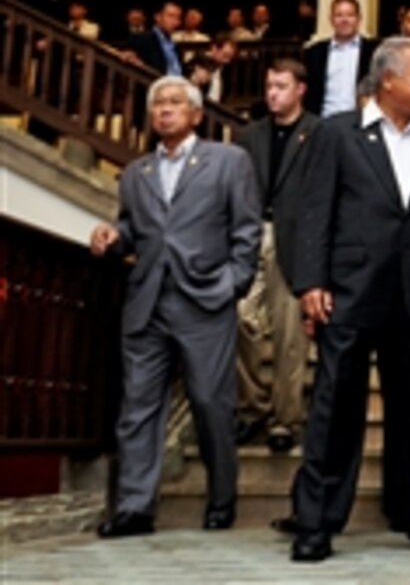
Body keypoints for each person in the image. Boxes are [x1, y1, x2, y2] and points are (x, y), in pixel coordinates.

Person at [288, 36, 410, 562]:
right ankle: (316, 523)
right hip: (349, 293)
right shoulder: (336, 134)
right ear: (388, 79)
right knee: (335, 409)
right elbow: (313, 210)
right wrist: (311, 283)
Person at [89, 76, 261, 538]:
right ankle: (134, 508)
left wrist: (233, 284)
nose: (164, 110)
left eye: (174, 103)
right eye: (157, 104)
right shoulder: (135, 173)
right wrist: (112, 236)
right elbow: (133, 229)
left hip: (205, 300)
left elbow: (247, 231)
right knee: (138, 407)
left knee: (210, 403)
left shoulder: (229, 162)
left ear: (196, 114)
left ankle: (222, 496)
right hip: (146, 303)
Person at [234, 59, 319, 454]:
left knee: (289, 336)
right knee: (241, 318)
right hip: (253, 235)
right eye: (269, 86)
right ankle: (252, 407)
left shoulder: (318, 133)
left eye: (281, 86)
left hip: (296, 240)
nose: (272, 93)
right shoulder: (249, 136)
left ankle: (286, 418)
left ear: (300, 89)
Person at [302, 0, 377, 117]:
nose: (344, 20)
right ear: (331, 19)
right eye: (339, 15)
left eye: (350, 15)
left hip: (360, 122)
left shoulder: (373, 52)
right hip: (323, 122)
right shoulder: (314, 52)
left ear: (359, 19)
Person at [126, 1, 184, 76]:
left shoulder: (176, 47)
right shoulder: (141, 39)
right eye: (170, 16)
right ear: (158, 17)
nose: (175, 22)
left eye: (178, 18)